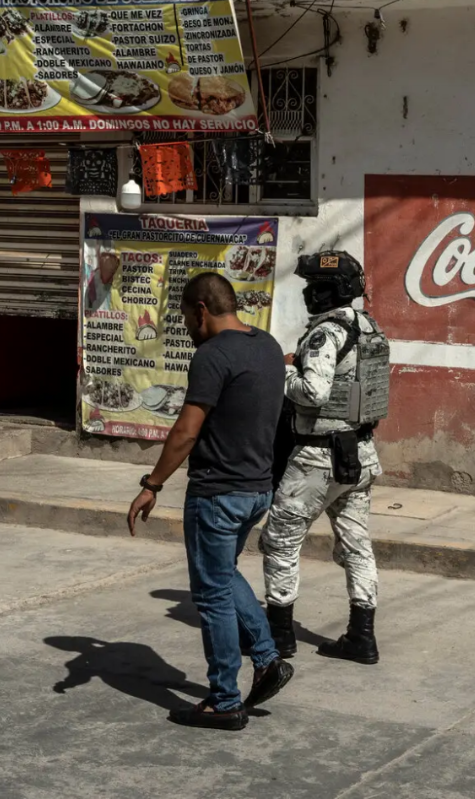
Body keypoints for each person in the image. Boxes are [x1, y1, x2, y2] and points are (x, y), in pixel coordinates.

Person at [127, 271, 294, 730]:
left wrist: (152, 484)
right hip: (257, 489)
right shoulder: (268, 347)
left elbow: (185, 431)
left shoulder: (212, 355)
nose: (184, 324)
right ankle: (267, 659)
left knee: (212, 595)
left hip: (218, 493)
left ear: (201, 309)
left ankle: (224, 699)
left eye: (183, 315)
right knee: (223, 576)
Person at [261, 250, 389, 666]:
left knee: (281, 540)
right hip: (360, 453)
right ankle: (362, 636)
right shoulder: (370, 328)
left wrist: (279, 374)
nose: (305, 294)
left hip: (318, 457)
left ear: (326, 291)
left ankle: (279, 637)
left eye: (311, 287)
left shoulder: (326, 333)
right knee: (356, 545)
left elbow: (313, 392)